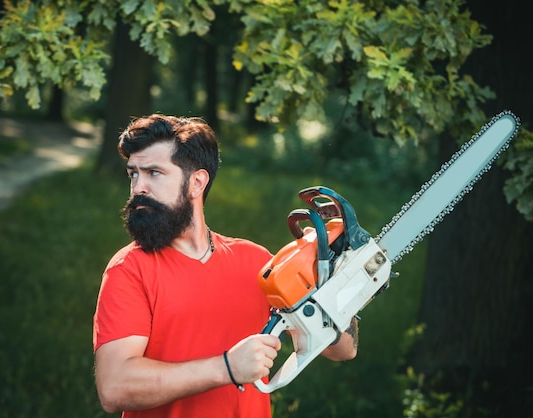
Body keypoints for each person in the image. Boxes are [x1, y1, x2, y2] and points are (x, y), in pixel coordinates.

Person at [92, 114, 358, 417]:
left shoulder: (257, 263)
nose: (139, 187)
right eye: (133, 174)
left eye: (153, 173)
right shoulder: (128, 270)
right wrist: (227, 367)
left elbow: (342, 350)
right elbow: (114, 388)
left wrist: (330, 287)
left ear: (196, 182)